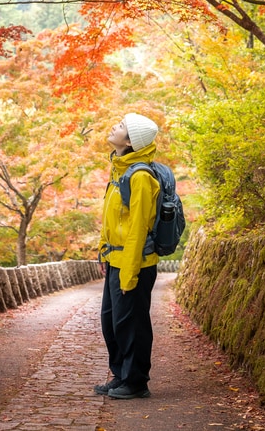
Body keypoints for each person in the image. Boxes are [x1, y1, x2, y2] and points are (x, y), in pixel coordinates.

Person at [95, 111, 161, 399]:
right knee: (111, 322)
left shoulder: (142, 177)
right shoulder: (120, 170)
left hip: (134, 263)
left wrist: (129, 273)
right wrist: (103, 253)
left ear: (131, 141)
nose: (114, 126)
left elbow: (137, 230)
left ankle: (136, 382)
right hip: (115, 260)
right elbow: (110, 219)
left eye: (121, 126)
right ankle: (120, 374)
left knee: (132, 325)